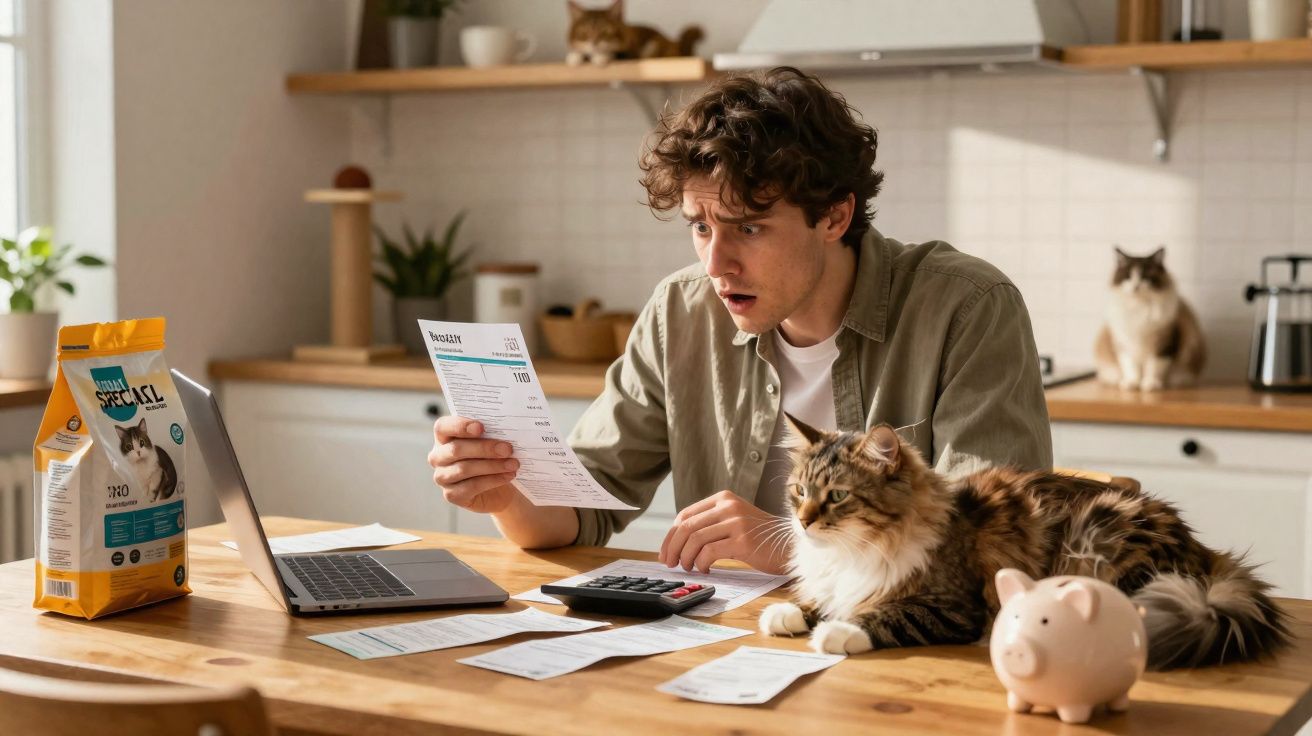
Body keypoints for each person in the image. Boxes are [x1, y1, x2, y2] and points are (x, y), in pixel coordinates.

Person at [428, 67, 1051, 575]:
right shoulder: (679, 312)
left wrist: (788, 547)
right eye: (701, 226)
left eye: (748, 228)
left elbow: (995, 553)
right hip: (722, 654)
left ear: (834, 217)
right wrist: (507, 495)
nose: (716, 262)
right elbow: (581, 511)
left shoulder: (968, 307)